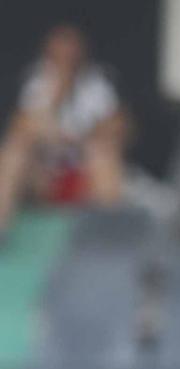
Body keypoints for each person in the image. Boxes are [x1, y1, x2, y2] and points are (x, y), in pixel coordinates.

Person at [0, 25, 126, 239]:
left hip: (84, 176)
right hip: (44, 177)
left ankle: (109, 240)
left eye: (70, 51)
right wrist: (56, 98)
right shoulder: (37, 81)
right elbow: (19, 129)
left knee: (102, 152)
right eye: (59, 50)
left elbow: (121, 126)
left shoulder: (96, 82)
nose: (65, 57)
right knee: (13, 152)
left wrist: (84, 136)